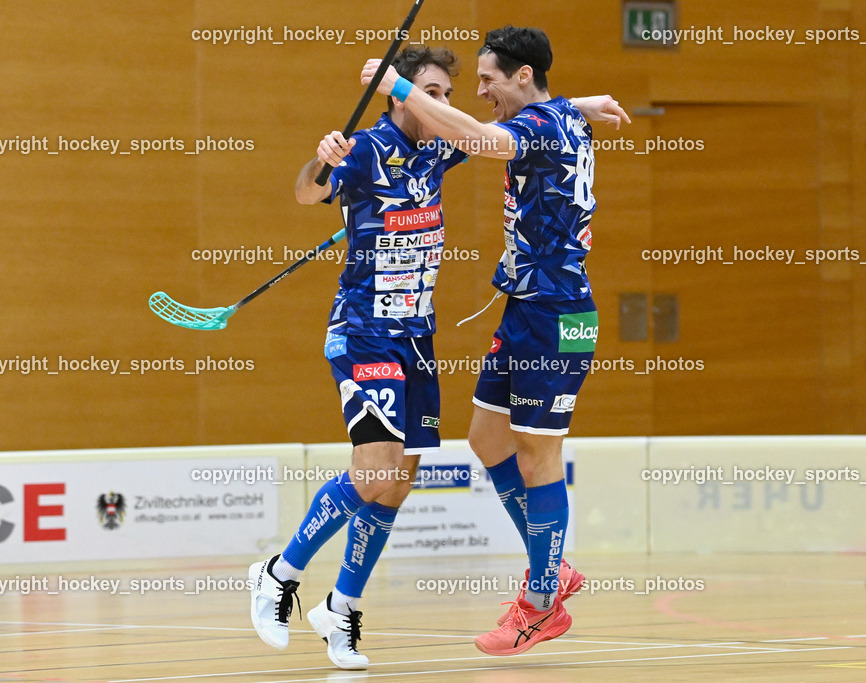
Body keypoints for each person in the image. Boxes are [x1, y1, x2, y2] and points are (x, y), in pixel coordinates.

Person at [361, 26, 630, 656]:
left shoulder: (536, 124)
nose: (479, 91)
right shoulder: (557, 114)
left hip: (557, 317)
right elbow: (547, 114)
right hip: (525, 311)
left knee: (538, 456)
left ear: (524, 78)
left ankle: (540, 601)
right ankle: (553, 564)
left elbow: (480, 140)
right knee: (486, 438)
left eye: (488, 80)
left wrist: (398, 85)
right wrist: (582, 102)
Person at [249, 45, 467, 671]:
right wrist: (320, 162)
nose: (442, 103)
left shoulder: (440, 146)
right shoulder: (368, 150)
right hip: (365, 332)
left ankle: (339, 608)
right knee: (373, 473)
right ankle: (278, 571)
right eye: (431, 90)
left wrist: (580, 107)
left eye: (448, 94)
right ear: (400, 94)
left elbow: (495, 135)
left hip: (417, 340)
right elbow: (305, 194)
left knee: (398, 482)